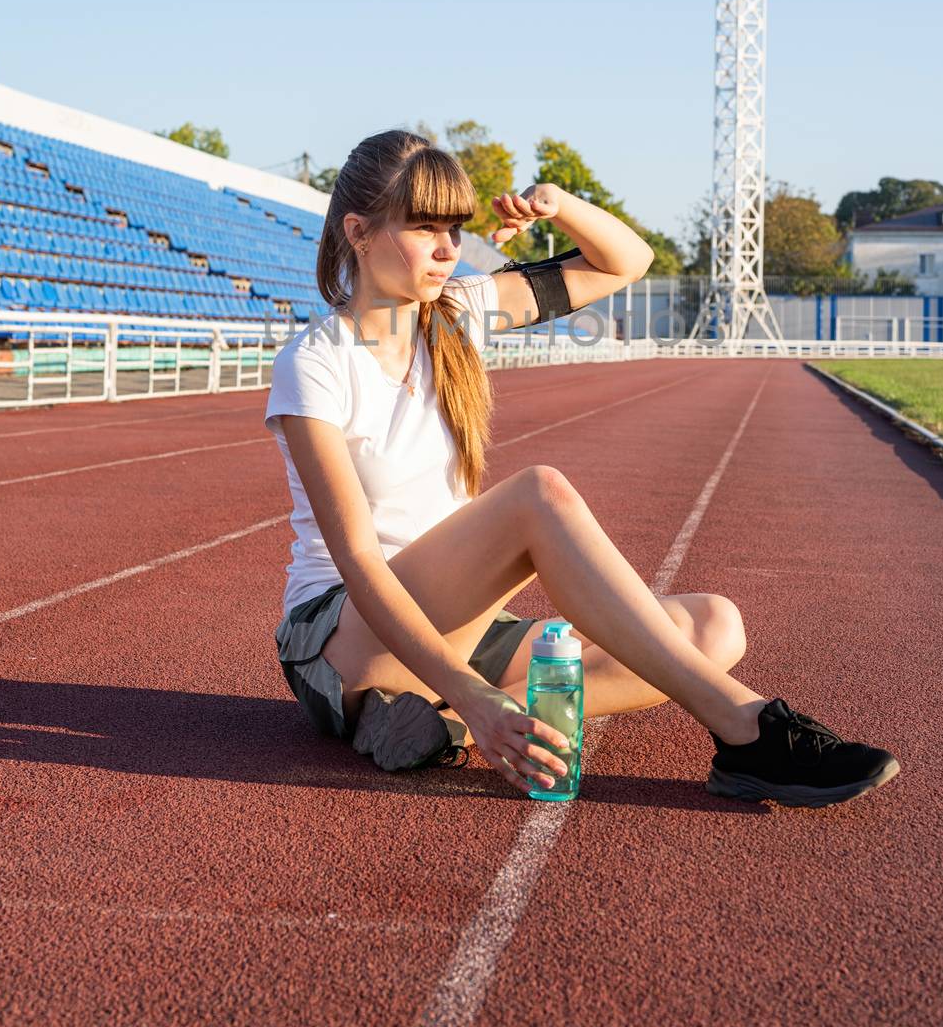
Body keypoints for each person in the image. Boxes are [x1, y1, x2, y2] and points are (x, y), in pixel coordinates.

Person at [266, 129, 900, 807]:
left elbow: (626, 260)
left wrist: (556, 205)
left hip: (459, 628)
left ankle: (439, 726)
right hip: (346, 645)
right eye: (426, 228)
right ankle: (748, 731)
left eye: (457, 228)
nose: (451, 249)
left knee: (716, 626)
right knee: (538, 494)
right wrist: (477, 693)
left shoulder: (454, 316)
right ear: (359, 233)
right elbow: (361, 564)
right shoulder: (317, 362)